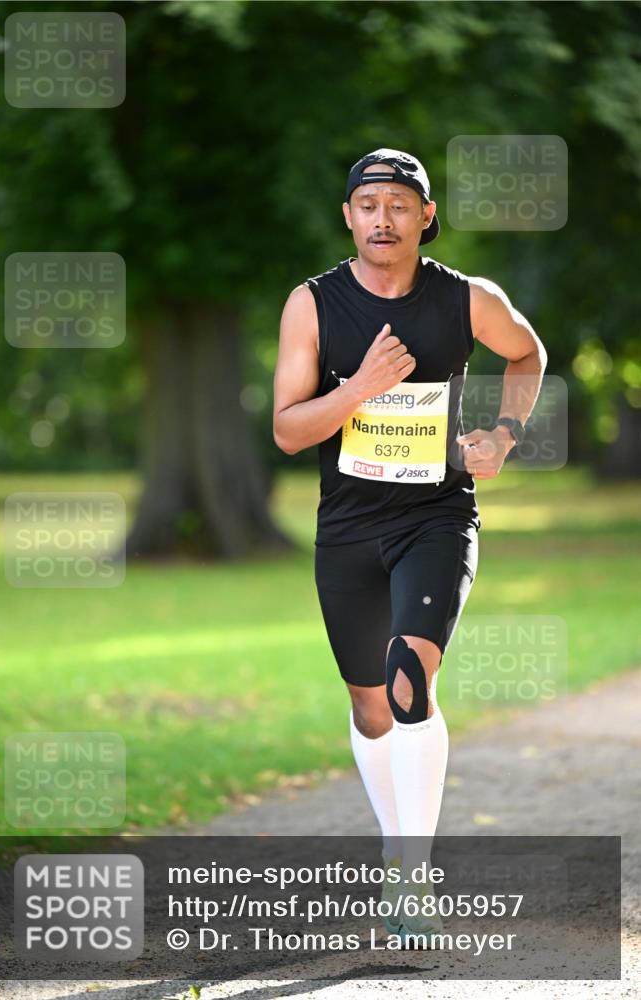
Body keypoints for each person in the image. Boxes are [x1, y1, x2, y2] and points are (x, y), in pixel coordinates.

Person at [272, 148, 547, 943]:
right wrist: (358, 387)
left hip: (435, 517)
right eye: (368, 205)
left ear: (425, 216)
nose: (382, 218)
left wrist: (503, 434)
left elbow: (526, 353)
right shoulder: (312, 305)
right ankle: (399, 850)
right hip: (347, 527)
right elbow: (287, 430)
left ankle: (410, 878)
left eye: (399, 204)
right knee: (369, 707)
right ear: (347, 216)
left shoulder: (466, 299)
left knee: (406, 679)